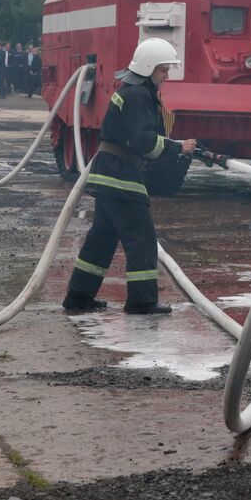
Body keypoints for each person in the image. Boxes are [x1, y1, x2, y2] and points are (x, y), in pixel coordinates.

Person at [63, 38, 197, 316]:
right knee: (142, 240)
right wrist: (177, 147)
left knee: (101, 239)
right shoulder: (138, 95)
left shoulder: (132, 90)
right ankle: (141, 302)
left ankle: (78, 297)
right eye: (163, 70)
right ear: (149, 68)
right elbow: (142, 142)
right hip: (121, 177)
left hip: (109, 175)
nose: (166, 76)